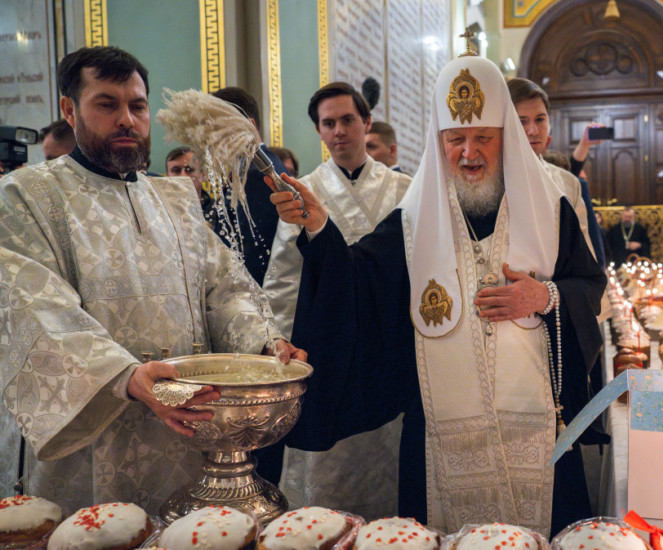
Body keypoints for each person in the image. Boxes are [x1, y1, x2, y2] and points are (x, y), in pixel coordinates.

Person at [269, 53, 605, 535]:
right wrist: (320, 226)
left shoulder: (550, 209)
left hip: (536, 428)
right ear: (440, 141)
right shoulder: (414, 218)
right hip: (442, 434)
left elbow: (589, 286)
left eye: (482, 138)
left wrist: (545, 296)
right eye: (456, 140)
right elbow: (360, 280)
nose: (469, 152)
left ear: (505, 139)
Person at [0, 46, 303, 512]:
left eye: (137, 106)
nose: (126, 119)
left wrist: (264, 342)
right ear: (69, 109)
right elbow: (34, 311)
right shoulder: (26, 196)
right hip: (95, 438)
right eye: (107, 104)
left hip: (186, 427)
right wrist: (126, 377)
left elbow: (224, 290)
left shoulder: (175, 198)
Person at [263, 81, 411, 515]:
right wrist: (280, 339)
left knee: (391, 462)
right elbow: (285, 275)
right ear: (319, 133)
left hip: (390, 345)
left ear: (366, 123)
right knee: (326, 476)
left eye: (348, 120)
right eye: (329, 123)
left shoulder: (404, 189)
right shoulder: (300, 190)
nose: (339, 130)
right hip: (326, 348)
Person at [507, 77, 602, 267]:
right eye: (522, 122)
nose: (533, 131)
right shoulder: (487, 183)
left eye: (540, 119)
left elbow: (587, 269)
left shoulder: (569, 185)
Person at [208, 86, 290, 285]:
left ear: (249, 127)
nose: (212, 140)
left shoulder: (257, 175)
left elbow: (252, 251)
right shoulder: (255, 167)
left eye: (220, 129)